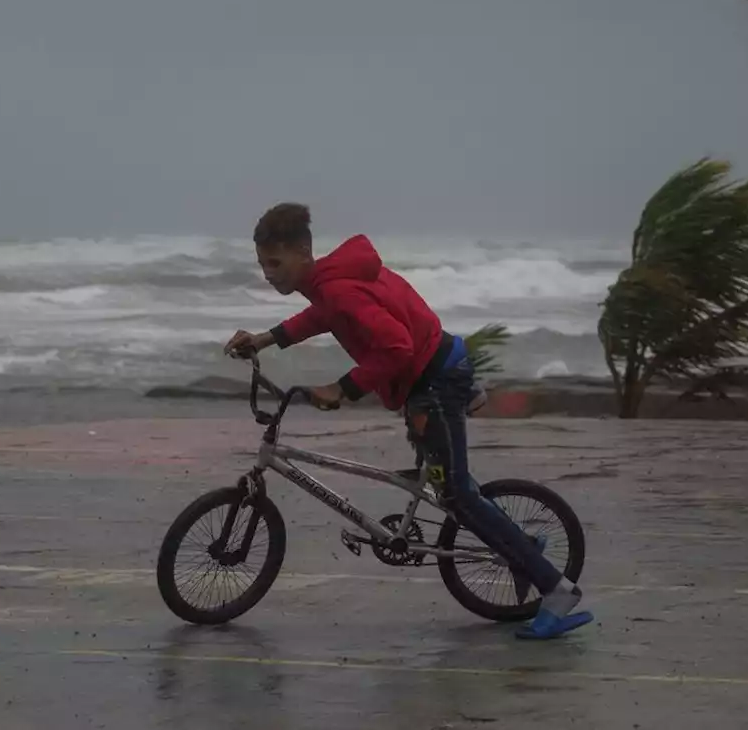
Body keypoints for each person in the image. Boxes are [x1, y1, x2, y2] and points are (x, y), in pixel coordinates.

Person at [224, 202, 593, 640]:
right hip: (433, 370)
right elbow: (322, 317)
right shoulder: (330, 283)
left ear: (304, 251)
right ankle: (519, 543)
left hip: (434, 382)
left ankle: (555, 589)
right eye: (262, 264)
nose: (268, 272)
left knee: (456, 494)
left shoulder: (337, 288)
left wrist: (344, 388)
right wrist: (266, 339)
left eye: (275, 262)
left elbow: (395, 346)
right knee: (450, 483)